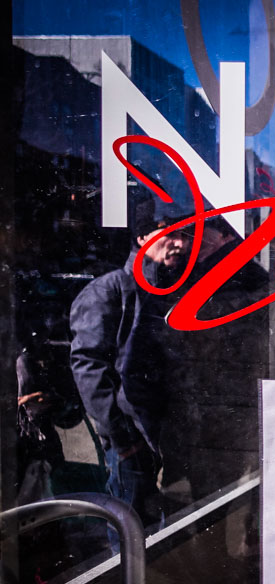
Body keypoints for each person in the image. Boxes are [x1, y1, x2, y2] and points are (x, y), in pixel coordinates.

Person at [69, 215, 190, 529]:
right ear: (142, 237)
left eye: (185, 236)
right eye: (171, 234)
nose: (180, 244)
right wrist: (122, 437)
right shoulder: (110, 290)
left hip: (166, 433)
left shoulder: (171, 289)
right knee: (131, 530)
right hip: (133, 438)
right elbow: (88, 365)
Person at [158, 216, 269, 503]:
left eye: (199, 233)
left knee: (213, 489)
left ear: (223, 235)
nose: (189, 240)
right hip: (214, 397)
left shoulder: (231, 274)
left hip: (219, 398)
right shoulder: (201, 270)